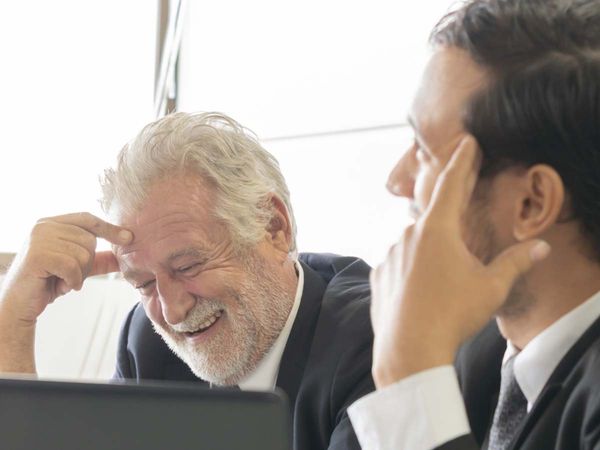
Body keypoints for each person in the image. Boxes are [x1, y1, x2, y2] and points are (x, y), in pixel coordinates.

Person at [0, 112, 375, 450]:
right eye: (144, 283)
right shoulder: (146, 344)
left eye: (188, 266)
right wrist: (13, 321)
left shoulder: (376, 339)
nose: (172, 311)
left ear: (274, 228)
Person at [348, 0, 600, 448]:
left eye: (425, 151)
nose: (396, 181)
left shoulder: (421, 360)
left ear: (531, 202)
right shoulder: (473, 346)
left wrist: (410, 382)